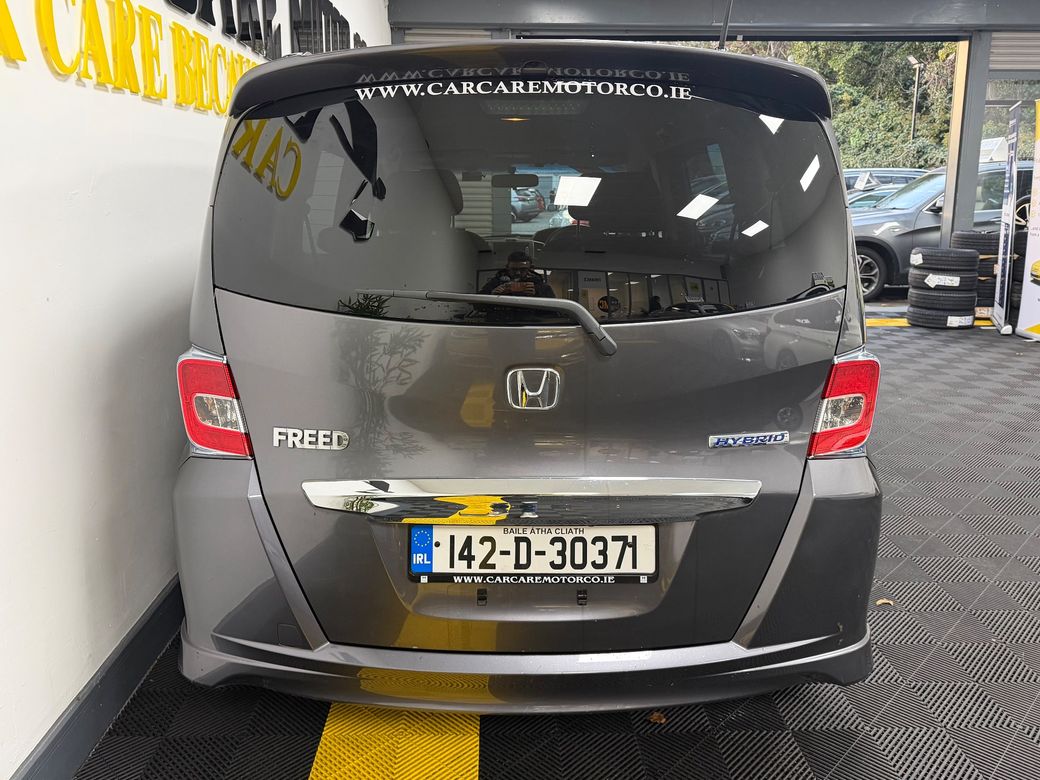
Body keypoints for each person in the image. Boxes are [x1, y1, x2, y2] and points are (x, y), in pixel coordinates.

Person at [480, 252, 555, 298]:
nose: (518, 273)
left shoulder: (541, 287)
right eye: (514, 269)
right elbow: (477, 305)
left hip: (531, 319)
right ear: (507, 268)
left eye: (523, 269)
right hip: (498, 319)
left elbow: (553, 312)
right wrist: (492, 295)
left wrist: (536, 295)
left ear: (531, 268)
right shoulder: (495, 283)